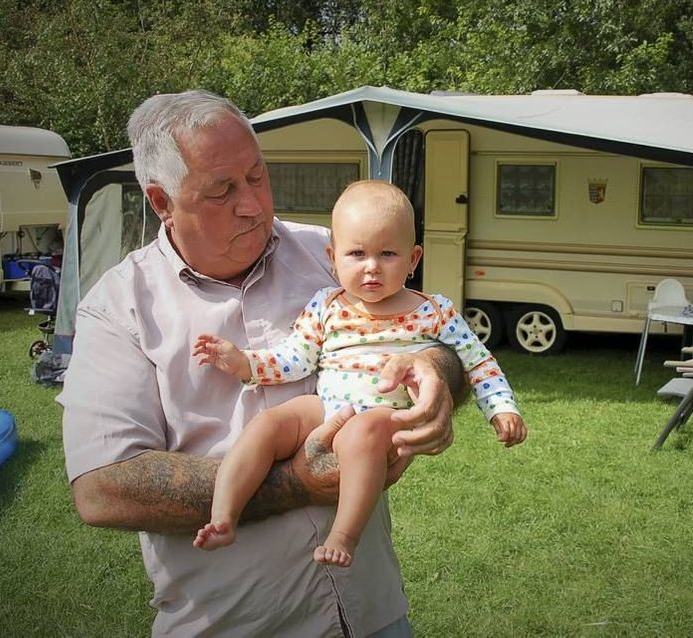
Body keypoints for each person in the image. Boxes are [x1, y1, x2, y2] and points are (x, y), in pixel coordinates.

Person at [59, 90, 466, 637]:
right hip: (235, 624)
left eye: (256, 176)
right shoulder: (118, 309)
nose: (251, 204)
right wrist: (295, 483)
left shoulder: (331, 254)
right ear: (161, 201)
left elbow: (439, 340)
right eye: (222, 190)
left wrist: (440, 374)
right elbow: (104, 488)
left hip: (373, 613)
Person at [192, 180, 527, 566]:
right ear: (333, 258)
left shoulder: (433, 311)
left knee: (360, 435)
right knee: (268, 424)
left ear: (414, 259)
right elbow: (295, 357)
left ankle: (343, 535)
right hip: (326, 406)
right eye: (356, 254)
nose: (371, 267)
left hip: (382, 417)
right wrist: (245, 363)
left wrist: (502, 408)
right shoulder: (327, 304)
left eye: (387, 253)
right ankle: (223, 515)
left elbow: (476, 360)